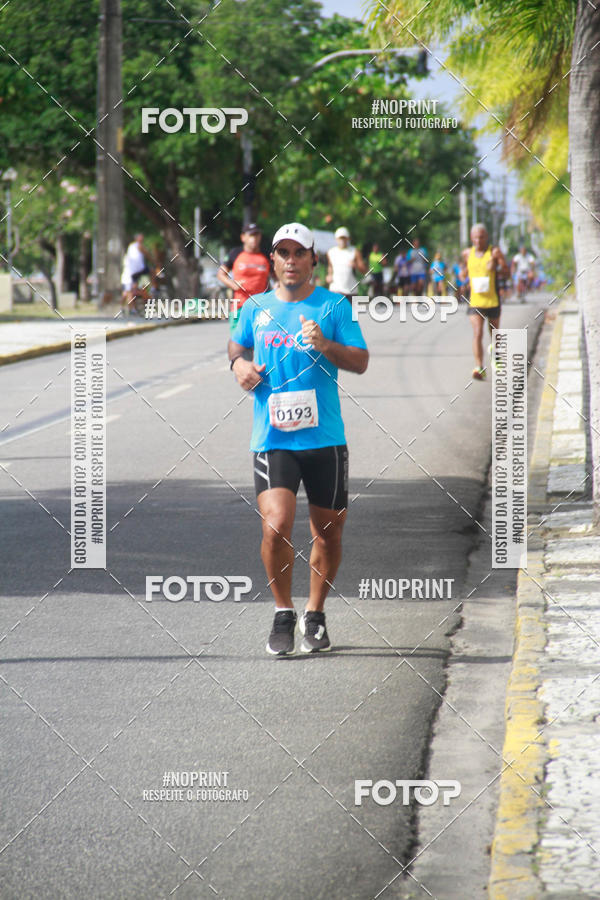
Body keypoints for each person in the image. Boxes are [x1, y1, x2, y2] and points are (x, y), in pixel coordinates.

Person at [228, 222, 369, 656]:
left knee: (327, 533)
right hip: (273, 437)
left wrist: (326, 344)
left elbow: (361, 361)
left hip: (324, 438)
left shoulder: (335, 307)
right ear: (273, 259)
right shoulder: (255, 306)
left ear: (313, 259)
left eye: (298, 253)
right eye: (282, 253)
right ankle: (283, 612)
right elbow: (236, 348)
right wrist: (239, 368)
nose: (290, 261)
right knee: (276, 526)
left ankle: (316, 614)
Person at [461, 223, 508, 380]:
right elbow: (466, 271)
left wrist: (497, 267)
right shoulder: (467, 254)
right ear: (471, 238)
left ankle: (497, 357)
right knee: (477, 332)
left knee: (494, 333)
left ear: (486, 237)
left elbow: (507, 272)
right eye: (475, 237)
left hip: (492, 300)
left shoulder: (494, 252)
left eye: (481, 237)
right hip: (475, 301)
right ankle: (479, 367)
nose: (478, 240)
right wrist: (463, 275)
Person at [218, 223, 270, 332]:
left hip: (261, 308)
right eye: (251, 235)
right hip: (239, 307)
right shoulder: (235, 253)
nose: (254, 239)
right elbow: (221, 274)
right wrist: (232, 284)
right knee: (237, 346)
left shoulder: (266, 255)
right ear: (243, 237)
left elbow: (277, 276)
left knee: (259, 345)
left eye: (256, 235)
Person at [326, 227, 367, 300]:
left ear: (348, 239)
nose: (342, 240)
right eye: (340, 238)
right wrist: (329, 275)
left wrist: (356, 265)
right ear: (336, 239)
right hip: (335, 290)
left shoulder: (355, 251)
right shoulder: (331, 252)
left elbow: (364, 270)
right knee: (335, 311)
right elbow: (330, 266)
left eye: (344, 238)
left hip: (351, 291)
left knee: (350, 311)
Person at [121, 233, 150, 314]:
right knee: (128, 292)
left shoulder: (131, 250)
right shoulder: (136, 247)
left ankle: (127, 308)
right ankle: (130, 308)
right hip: (130, 275)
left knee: (129, 292)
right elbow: (146, 254)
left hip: (135, 273)